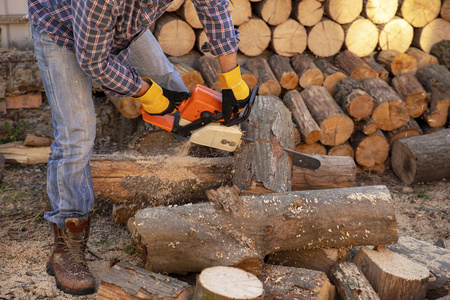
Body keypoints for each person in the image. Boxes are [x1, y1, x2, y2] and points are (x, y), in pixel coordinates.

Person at [28, 0, 251, 295]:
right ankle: (67, 244)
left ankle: (206, 174)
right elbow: (94, 62)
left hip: (123, 26)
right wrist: (146, 93)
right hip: (62, 28)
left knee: (173, 85)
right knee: (76, 133)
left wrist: (231, 77)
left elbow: (213, 6)